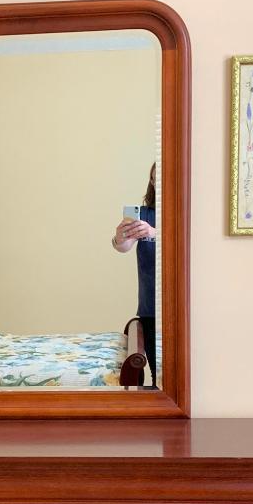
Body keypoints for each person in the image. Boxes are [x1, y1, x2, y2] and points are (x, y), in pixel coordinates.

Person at [111, 163, 157, 384]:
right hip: (149, 307)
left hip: (182, 306)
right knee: (158, 372)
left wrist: (154, 232)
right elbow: (123, 247)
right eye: (154, 179)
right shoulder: (145, 213)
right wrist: (120, 238)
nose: (158, 183)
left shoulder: (182, 215)